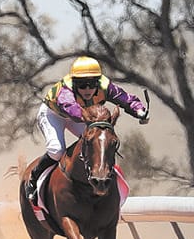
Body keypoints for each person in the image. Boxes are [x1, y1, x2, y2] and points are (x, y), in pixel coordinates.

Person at [23, 56, 149, 204]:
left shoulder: (105, 86)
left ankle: (99, 178)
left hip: (84, 116)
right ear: (74, 83)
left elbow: (125, 98)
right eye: (82, 85)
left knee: (99, 144)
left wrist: (139, 110)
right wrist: (91, 117)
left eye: (92, 84)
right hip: (54, 115)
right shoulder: (66, 90)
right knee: (57, 150)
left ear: (98, 82)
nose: (87, 89)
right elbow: (71, 108)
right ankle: (33, 178)